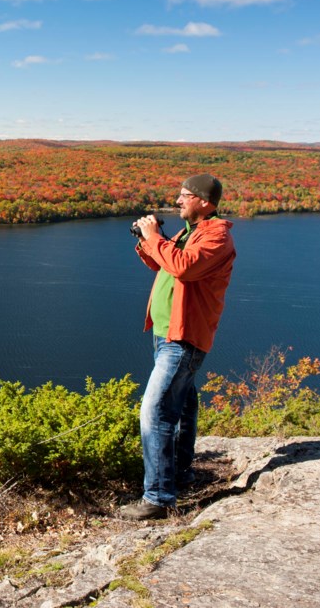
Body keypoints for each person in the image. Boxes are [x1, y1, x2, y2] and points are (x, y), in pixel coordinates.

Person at [120, 173, 236, 520]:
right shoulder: (191, 233)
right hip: (167, 333)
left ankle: (158, 497)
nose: (178, 200)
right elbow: (164, 262)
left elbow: (184, 267)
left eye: (185, 195)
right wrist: (146, 240)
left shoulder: (217, 235)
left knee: (154, 412)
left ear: (203, 200)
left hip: (183, 337)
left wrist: (155, 236)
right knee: (183, 406)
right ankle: (181, 474)